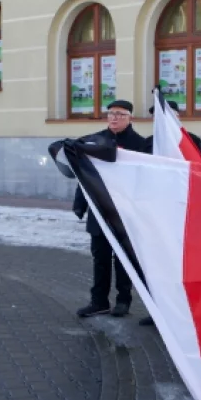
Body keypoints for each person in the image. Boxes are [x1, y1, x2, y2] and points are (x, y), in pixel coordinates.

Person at [74, 99, 146, 318]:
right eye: (111, 113)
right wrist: (81, 204)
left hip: (125, 212)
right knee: (100, 258)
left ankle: (123, 300)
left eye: (120, 114)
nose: (114, 117)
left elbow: (144, 179)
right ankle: (99, 301)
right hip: (100, 210)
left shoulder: (140, 145)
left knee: (124, 259)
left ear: (130, 118)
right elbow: (83, 173)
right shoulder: (94, 141)